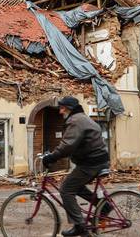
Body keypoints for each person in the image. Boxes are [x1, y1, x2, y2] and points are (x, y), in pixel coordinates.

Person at [42, 96, 110, 237]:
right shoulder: (82, 118)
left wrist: (51, 157)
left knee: (66, 189)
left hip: (91, 162)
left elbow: (67, 145)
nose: (60, 112)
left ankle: (79, 226)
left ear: (69, 109)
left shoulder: (76, 121)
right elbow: (75, 144)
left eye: (62, 108)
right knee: (76, 186)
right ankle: (104, 206)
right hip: (98, 160)